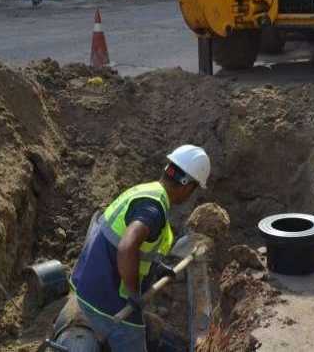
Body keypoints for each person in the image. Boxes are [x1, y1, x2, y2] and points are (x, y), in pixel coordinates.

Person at [69, 145, 211, 351]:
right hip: (110, 302)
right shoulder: (153, 209)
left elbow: (128, 243)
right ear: (187, 186)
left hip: (86, 286)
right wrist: (134, 292)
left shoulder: (146, 192)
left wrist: (155, 267)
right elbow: (127, 246)